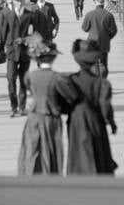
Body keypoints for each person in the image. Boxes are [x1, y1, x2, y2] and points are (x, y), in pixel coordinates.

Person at [16, 35, 78, 175]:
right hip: (51, 118)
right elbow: (71, 96)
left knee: (32, 148)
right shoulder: (57, 78)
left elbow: (29, 88)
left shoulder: (30, 76)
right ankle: (50, 173)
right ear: (53, 58)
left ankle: (30, 172)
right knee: (50, 149)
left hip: (33, 118)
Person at [66, 39, 118, 175]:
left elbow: (64, 102)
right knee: (98, 150)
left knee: (78, 150)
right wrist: (111, 122)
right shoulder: (102, 83)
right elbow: (105, 106)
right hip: (95, 121)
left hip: (76, 122)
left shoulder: (71, 80)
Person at [0, 0, 37, 116]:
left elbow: (33, 33)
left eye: (21, 0)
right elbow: (2, 29)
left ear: (24, 0)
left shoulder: (29, 15)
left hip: (24, 51)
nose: (19, 3)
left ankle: (22, 107)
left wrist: (25, 40)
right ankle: (13, 106)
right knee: (11, 78)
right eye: (16, 1)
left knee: (23, 80)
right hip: (12, 50)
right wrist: (0, 43)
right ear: (13, 1)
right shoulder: (6, 13)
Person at [81, 0, 118, 77]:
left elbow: (84, 28)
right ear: (104, 3)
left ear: (95, 2)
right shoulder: (108, 15)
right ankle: (103, 80)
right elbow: (114, 30)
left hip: (92, 42)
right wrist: (108, 37)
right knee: (104, 63)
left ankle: (95, 79)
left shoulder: (90, 14)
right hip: (104, 43)